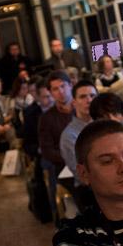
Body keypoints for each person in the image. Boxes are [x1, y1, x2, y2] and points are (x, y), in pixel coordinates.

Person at [38, 70, 74, 219]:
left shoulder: (84, 109)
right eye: (55, 89)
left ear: (70, 85)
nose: (61, 92)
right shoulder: (46, 118)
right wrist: (70, 159)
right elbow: (47, 151)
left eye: (63, 86)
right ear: (51, 93)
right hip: (64, 165)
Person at [60, 80, 97, 183]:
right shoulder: (69, 135)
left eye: (92, 96)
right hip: (90, 185)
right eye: (83, 97)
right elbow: (81, 174)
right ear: (74, 102)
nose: (89, 100)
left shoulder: (106, 124)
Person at [89, 92, 123, 157]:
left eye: (115, 114)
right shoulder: (91, 149)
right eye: (105, 117)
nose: (112, 119)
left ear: (122, 116)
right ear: (96, 121)